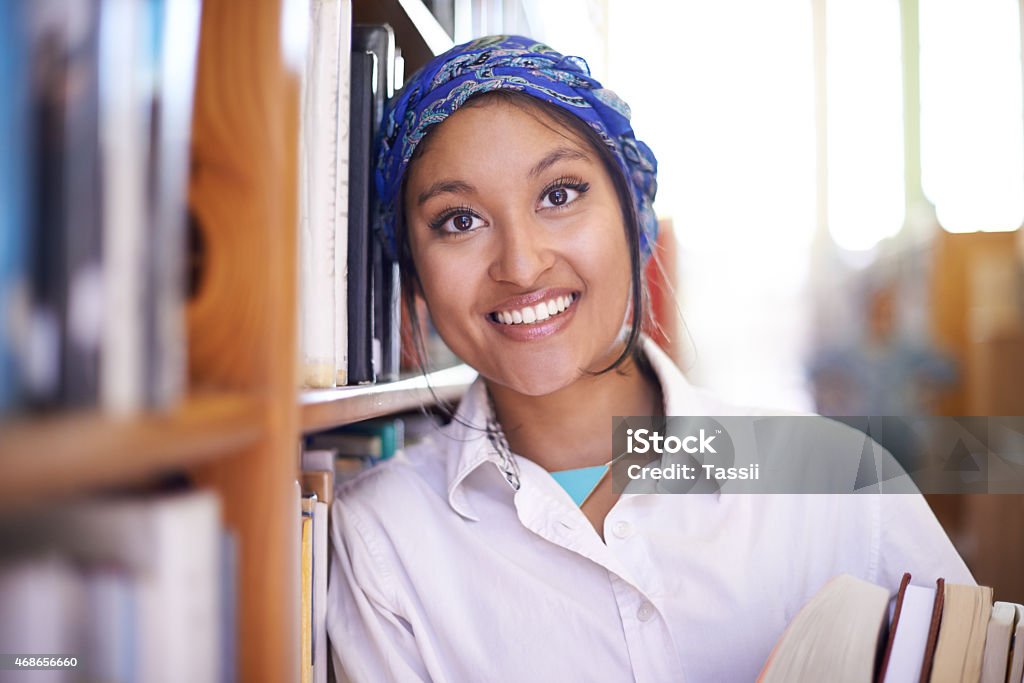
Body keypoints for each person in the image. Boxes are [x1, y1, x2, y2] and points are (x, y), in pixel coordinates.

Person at [327, 35, 972, 682]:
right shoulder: (381, 538)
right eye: (459, 220)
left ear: (633, 217)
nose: (521, 266)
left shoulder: (840, 482)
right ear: (412, 269)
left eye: (559, 194)